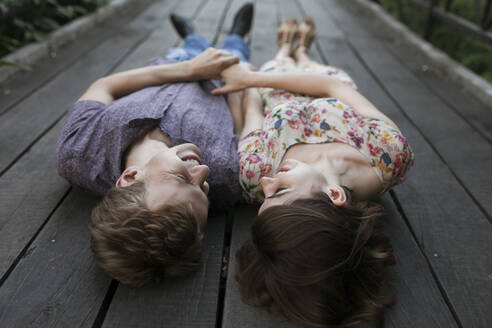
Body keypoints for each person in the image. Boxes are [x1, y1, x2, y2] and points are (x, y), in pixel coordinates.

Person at [213, 18, 414, 327]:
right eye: (279, 192)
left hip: (271, 87)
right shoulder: (388, 155)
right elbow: (333, 87)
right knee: (314, 67)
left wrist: (249, 79)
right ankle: (301, 48)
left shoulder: (254, 173)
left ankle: (287, 48)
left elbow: (252, 110)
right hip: (328, 83)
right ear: (333, 194)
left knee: (277, 62)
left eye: (263, 202)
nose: (267, 184)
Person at [55, 3, 254, 286]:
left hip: (171, 65)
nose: (204, 172)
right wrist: (237, 80)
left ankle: (191, 38)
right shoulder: (225, 177)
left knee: (192, 47)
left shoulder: (78, 151)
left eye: (183, 178)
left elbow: (104, 87)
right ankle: (237, 36)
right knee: (235, 51)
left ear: (130, 177)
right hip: (218, 80)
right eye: (204, 191)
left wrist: (189, 67)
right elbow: (238, 122)